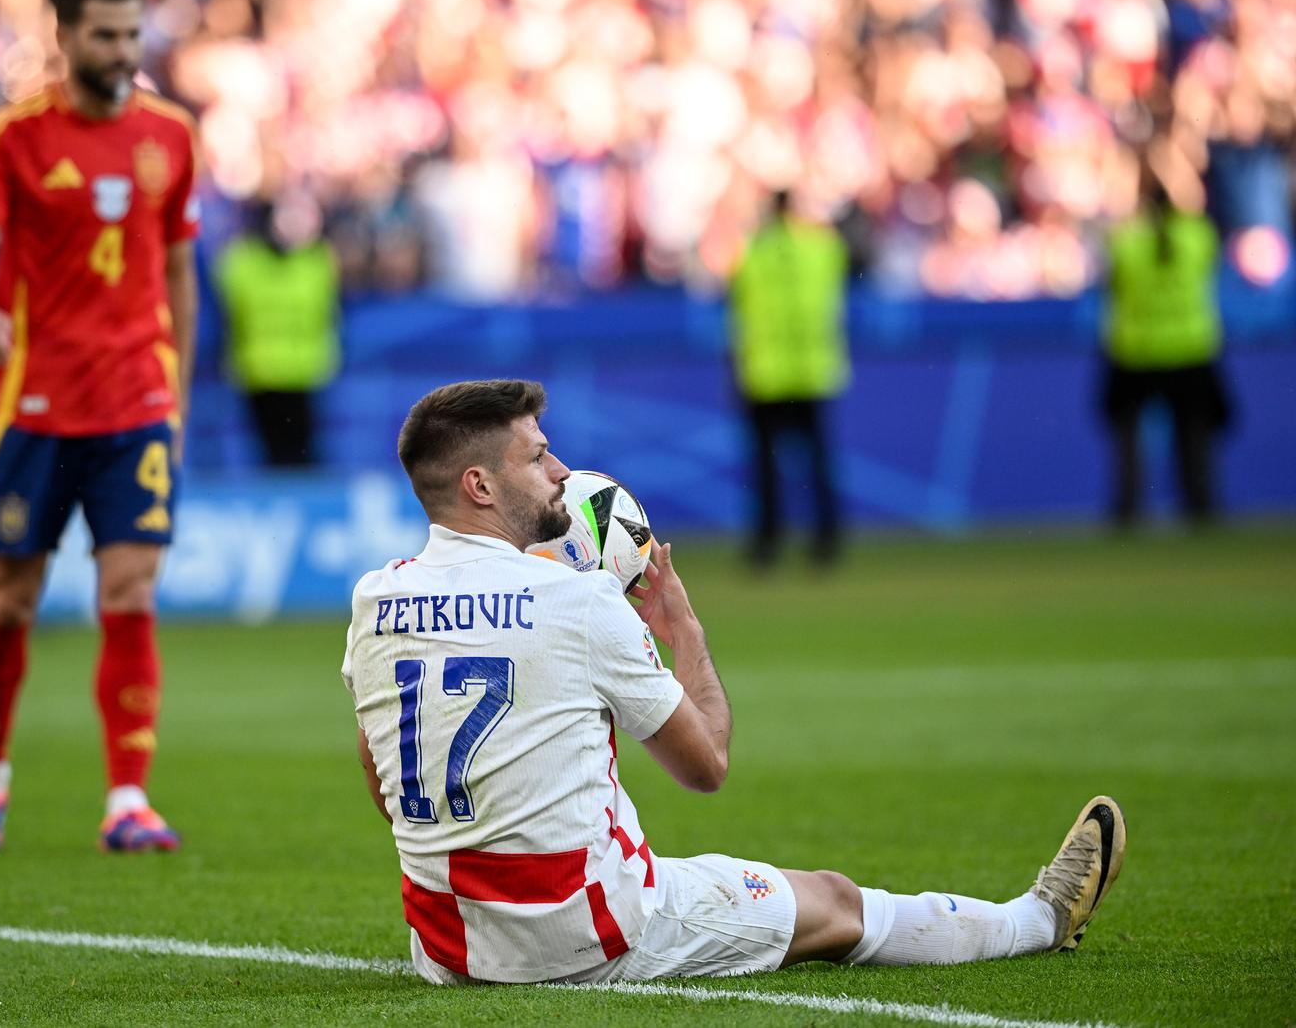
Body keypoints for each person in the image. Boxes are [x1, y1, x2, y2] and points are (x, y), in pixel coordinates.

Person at [342, 378, 1126, 985]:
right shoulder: (578, 600)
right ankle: (1038, 920)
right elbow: (706, 764)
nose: (560, 471)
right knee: (835, 902)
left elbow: (388, 791)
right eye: (537, 455)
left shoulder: (374, 599)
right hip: (593, 934)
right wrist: (680, 624)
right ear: (480, 485)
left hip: (448, 948)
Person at [0, 0, 199, 853]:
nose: (124, 52)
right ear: (65, 36)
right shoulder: (12, 137)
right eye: (106, 36)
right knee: (11, 599)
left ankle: (128, 797)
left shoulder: (171, 134)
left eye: (134, 34)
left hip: (136, 403)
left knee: (129, 590)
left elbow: (178, 270)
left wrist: (180, 392)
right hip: (36, 405)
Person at [1102, 152, 1231, 527]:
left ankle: (1127, 512)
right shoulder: (1198, 236)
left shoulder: (1126, 242)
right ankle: (1201, 509)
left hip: (1135, 351)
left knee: (1127, 442)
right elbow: (1195, 208)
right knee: (1195, 439)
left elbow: (1111, 283)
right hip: (1191, 348)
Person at [729, 192, 851, 567]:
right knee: (818, 463)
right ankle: (827, 542)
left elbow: (738, 306)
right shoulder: (822, 250)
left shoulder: (753, 253)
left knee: (766, 468)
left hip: (765, 375)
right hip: (812, 372)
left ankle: (767, 544)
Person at [213, 194, 341, 468]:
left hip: (298, 372)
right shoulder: (245, 263)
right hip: (265, 373)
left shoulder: (314, 262)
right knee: (277, 453)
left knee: (297, 452)